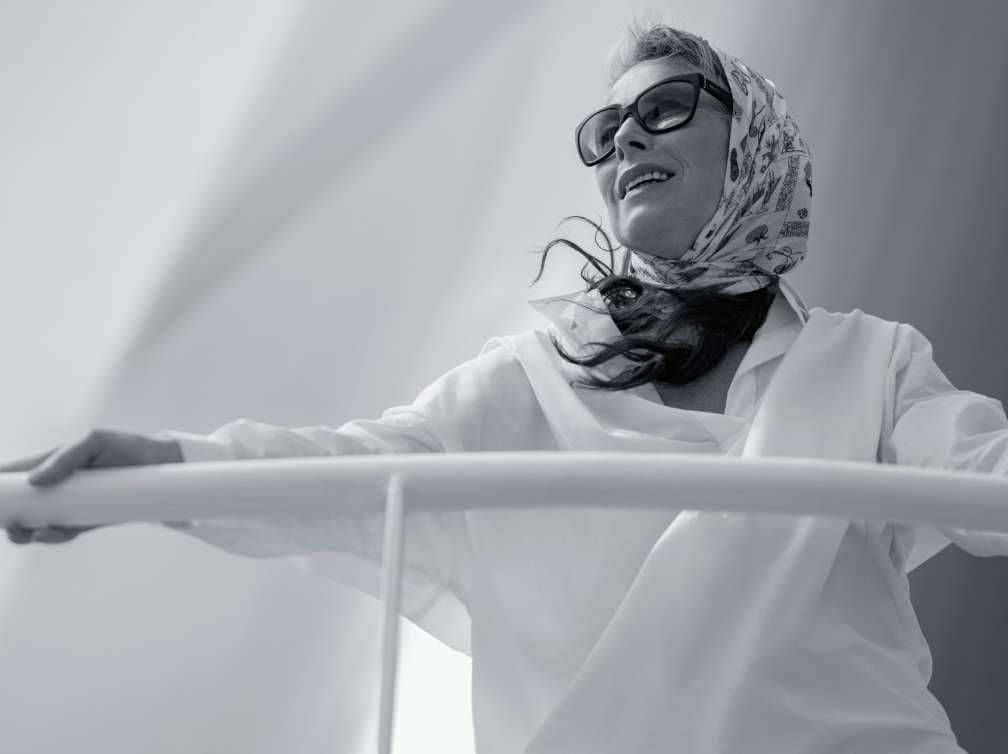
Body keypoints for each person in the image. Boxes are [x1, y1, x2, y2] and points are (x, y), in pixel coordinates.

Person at [4, 23, 1008, 754]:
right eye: (607, 128)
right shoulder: (526, 386)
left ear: (756, 144)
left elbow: (984, 471)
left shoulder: (870, 362)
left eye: (664, 109)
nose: (626, 141)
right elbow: (343, 470)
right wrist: (163, 468)